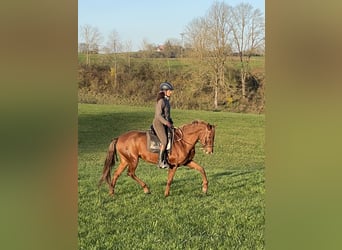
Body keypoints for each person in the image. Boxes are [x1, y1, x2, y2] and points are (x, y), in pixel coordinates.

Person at [153, 81, 174, 169]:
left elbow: (167, 115)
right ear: (165, 91)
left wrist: (170, 121)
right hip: (159, 123)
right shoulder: (161, 101)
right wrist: (166, 122)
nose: (171, 92)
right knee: (164, 141)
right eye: (169, 90)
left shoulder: (167, 101)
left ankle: (167, 159)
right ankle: (160, 162)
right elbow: (158, 115)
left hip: (165, 123)